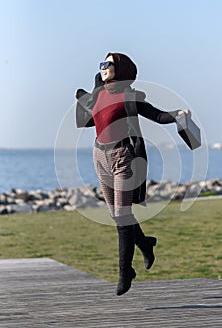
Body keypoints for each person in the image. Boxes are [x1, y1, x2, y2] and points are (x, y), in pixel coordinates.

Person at [75, 52, 190, 296]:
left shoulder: (129, 97)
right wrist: (80, 99)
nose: (103, 67)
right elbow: (87, 122)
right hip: (99, 156)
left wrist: (179, 114)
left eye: (108, 64)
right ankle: (146, 243)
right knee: (117, 216)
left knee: (122, 217)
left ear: (121, 68)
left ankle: (125, 271)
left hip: (122, 158)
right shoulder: (98, 93)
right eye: (102, 64)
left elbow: (157, 115)